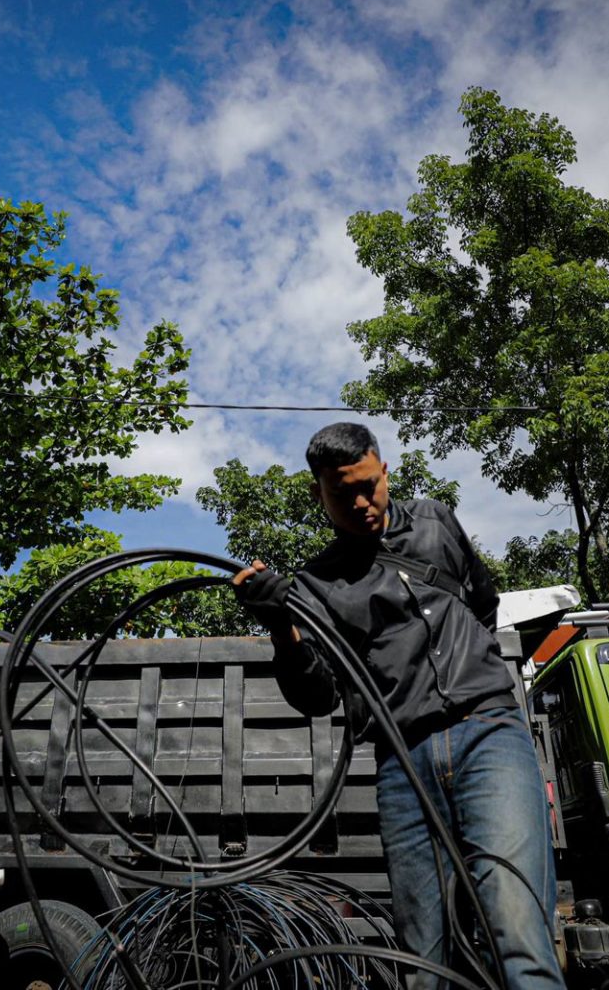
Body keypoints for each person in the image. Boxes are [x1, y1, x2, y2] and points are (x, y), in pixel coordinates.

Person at [232, 422, 564, 990]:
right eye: (343, 494)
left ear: (384, 471)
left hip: (490, 732)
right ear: (318, 494)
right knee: (423, 958)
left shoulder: (436, 521)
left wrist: (472, 674)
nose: (362, 503)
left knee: (517, 926)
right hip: (402, 763)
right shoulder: (315, 585)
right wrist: (280, 624)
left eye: (369, 485)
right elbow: (315, 696)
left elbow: (483, 602)